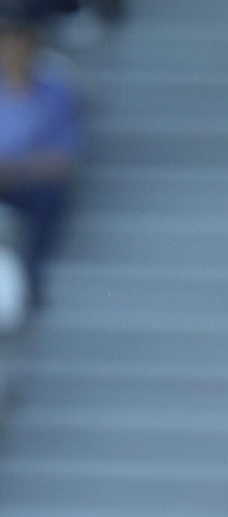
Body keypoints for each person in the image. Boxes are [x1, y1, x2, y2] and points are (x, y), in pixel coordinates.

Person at [0, 16, 75, 306]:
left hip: (27, 184)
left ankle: (31, 275)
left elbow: (62, 160)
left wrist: (12, 170)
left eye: (20, 43)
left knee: (50, 195)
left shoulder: (55, 93)